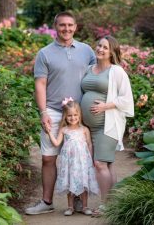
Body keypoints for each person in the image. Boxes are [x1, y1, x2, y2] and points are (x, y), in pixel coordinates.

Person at [25, 11, 96, 215]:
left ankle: (78, 201)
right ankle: (47, 202)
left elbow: (98, 75)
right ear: (55, 27)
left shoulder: (87, 50)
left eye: (70, 25)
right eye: (62, 25)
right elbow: (40, 84)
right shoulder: (45, 53)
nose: (66, 29)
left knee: (78, 157)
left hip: (78, 115)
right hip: (54, 112)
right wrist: (43, 111)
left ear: (76, 27)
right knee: (48, 158)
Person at [80, 35, 134, 216]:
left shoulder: (116, 71)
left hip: (108, 125)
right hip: (90, 127)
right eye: (99, 45)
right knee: (108, 164)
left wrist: (105, 106)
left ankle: (105, 205)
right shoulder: (89, 69)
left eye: (105, 47)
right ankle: (113, 202)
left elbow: (127, 99)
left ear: (112, 52)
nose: (100, 49)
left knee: (100, 163)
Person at [46, 98, 99, 216]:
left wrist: (91, 159)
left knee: (83, 182)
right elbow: (56, 143)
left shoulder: (84, 129)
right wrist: (49, 132)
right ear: (65, 116)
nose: (73, 117)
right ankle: (70, 207)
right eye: (69, 115)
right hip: (69, 162)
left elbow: (89, 144)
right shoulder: (64, 130)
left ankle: (85, 206)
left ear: (79, 115)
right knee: (69, 181)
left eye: (75, 115)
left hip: (82, 162)